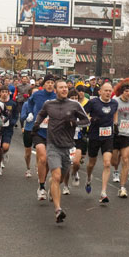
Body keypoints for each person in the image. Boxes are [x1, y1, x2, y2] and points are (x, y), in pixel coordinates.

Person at [34, 79, 90, 223]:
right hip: (52, 145)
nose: (64, 89)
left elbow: (87, 121)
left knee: (59, 177)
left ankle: (52, 189)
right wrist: (36, 124)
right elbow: (41, 114)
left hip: (68, 146)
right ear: (56, 90)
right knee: (57, 175)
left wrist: (74, 122)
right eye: (61, 87)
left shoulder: (75, 105)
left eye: (66, 87)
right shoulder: (49, 104)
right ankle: (58, 210)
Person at [84, 81, 118, 204]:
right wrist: (92, 119)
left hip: (108, 136)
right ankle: (88, 178)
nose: (108, 93)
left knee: (107, 163)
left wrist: (115, 124)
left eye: (110, 91)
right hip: (94, 136)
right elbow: (82, 115)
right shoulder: (93, 102)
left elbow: (115, 113)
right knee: (91, 163)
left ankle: (103, 192)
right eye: (106, 90)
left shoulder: (114, 103)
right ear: (100, 92)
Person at [25, 75, 57, 199]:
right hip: (39, 131)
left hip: (52, 132)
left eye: (51, 83)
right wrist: (30, 113)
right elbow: (29, 103)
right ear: (43, 85)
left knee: (48, 161)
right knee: (42, 158)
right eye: (47, 82)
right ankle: (42, 187)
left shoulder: (57, 96)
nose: (49, 85)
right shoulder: (37, 95)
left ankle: (42, 181)